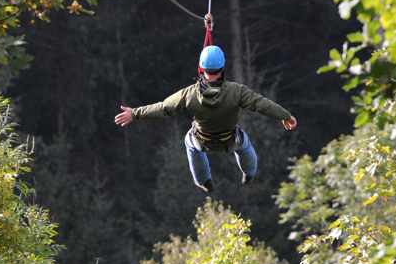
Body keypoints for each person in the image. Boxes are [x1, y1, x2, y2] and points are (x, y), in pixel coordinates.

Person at [114, 45, 297, 192]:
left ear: (201, 69)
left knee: (190, 143)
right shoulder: (237, 91)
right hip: (230, 140)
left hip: (203, 141)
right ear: (223, 67)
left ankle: (204, 181)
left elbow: (163, 108)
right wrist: (286, 116)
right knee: (244, 143)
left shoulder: (189, 94)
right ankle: (248, 174)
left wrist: (134, 113)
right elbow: (262, 104)